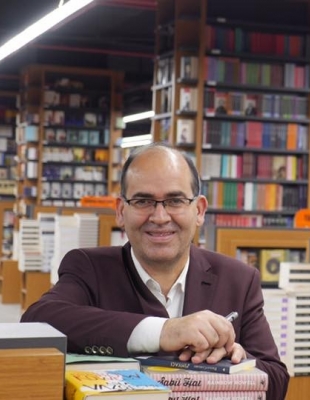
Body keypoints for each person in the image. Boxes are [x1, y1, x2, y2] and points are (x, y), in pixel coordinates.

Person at [21, 143, 289, 399]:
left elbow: (276, 379)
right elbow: (38, 320)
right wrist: (164, 331)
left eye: (175, 200)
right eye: (143, 201)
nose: (160, 217)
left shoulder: (239, 279)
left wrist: (236, 362)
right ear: (121, 211)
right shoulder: (89, 268)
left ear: (199, 210)